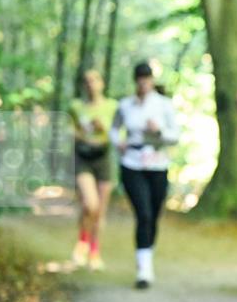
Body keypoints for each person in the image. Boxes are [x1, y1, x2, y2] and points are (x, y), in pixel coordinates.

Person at [109, 62, 180, 289]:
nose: (143, 82)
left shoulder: (163, 105)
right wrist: (117, 142)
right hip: (132, 164)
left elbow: (175, 135)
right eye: (139, 78)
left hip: (157, 165)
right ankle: (144, 270)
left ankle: (147, 251)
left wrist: (158, 131)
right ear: (135, 80)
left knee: (154, 214)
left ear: (151, 80)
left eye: (146, 78)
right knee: (144, 213)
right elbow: (114, 128)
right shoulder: (125, 105)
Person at [69, 70, 118, 271]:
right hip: (83, 158)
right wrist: (83, 133)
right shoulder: (75, 107)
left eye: (95, 79)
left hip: (103, 157)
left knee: (99, 211)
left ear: (102, 83)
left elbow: (118, 134)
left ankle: (94, 251)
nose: (91, 84)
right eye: (86, 80)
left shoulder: (112, 107)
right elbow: (69, 131)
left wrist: (103, 128)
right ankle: (82, 241)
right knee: (90, 204)